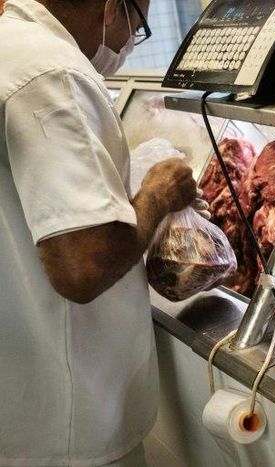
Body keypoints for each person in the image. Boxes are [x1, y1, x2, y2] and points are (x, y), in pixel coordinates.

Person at [0, 0, 201, 465]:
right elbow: (81, 266)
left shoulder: (10, 48)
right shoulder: (51, 74)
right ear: (112, 8)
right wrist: (155, 196)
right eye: (138, 23)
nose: (132, 40)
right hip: (65, 424)